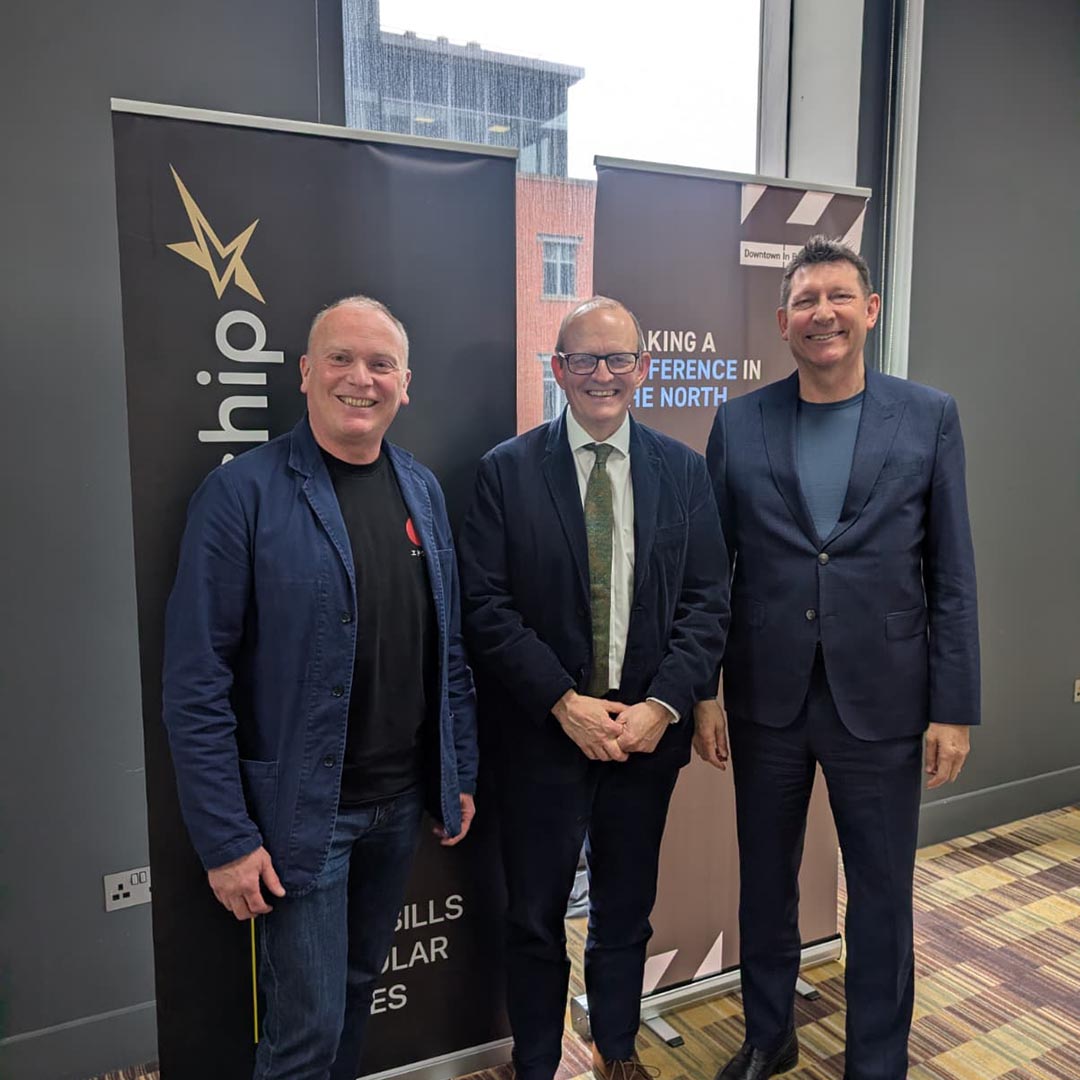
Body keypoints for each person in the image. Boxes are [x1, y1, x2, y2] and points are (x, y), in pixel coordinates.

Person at [162, 296, 478, 1080]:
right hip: (303, 817)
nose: (360, 379)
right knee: (304, 1032)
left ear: (405, 384)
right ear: (306, 372)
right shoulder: (241, 495)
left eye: (380, 364)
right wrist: (226, 839)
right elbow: (195, 683)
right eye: (341, 358)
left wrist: (459, 770)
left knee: (357, 991)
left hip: (401, 804)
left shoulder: (422, 489)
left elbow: (449, 650)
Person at [695, 236, 979, 1080]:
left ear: (870, 310)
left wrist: (954, 706)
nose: (823, 313)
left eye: (839, 296)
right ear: (783, 321)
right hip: (766, 698)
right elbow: (712, 573)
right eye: (806, 301)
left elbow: (952, 573)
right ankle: (769, 1036)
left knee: (882, 893)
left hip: (884, 699)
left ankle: (876, 1060)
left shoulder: (928, 416)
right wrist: (704, 691)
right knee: (765, 883)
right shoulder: (739, 422)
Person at [460, 296, 729, 1080]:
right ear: (559, 369)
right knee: (533, 916)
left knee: (626, 912)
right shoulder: (506, 471)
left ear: (642, 368)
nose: (602, 374)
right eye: (584, 358)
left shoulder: (683, 471)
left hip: (645, 737)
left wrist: (663, 707)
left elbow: (708, 601)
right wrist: (561, 701)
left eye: (618, 359)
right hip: (541, 736)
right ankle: (537, 1062)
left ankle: (616, 1050)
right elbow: (485, 605)